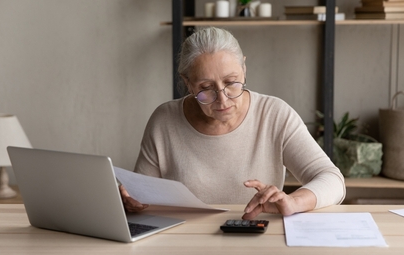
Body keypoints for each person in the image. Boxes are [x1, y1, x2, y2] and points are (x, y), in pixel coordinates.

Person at [120, 27, 345, 219]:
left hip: (257, 239)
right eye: (206, 88)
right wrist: (130, 201)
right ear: (188, 83)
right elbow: (140, 196)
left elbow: (332, 180)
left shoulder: (275, 115)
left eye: (231, 82)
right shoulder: (164, 120)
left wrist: (294, 202)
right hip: (185, 244)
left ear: (244, 69)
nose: (223, 98)